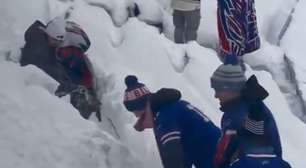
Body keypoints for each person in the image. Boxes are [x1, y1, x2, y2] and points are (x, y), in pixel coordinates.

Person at [123, 75, 221, 168]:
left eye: (137, 112)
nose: (137, 116)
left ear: (144, 106)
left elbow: (172, 155)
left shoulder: (165, 116)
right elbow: (184, 153)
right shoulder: (175, 106)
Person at [20, 17, 101, 121]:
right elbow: (53, 72)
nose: (58, 43)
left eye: (60, 41)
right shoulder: (41, 52)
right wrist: (72, 87)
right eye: (56, 41)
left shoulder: (43, 35)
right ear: (50, 35)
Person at [210, 64, 285, 168]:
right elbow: (275, 148)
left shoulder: (236, 116)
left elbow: (223, 155)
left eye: (218, 89)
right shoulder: (257, 107)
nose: (216, 95)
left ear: (230, 89)